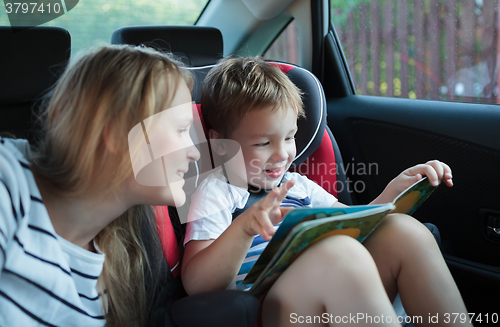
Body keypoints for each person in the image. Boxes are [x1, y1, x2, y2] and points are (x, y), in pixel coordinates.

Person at [181, 57, 472, 326]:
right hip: (267, 309)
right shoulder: (217, 191)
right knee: (338, 252)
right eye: (263, 143)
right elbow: (196, 283)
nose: (283, 154)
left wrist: (396, 190)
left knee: (402, 229)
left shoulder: (300, 187)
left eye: (289, 137)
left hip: (329, 293)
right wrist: (244, 229)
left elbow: (356, 223)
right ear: (221, 145)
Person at [0, 44, 202, 327]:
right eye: (181, 130)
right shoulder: (7, 179)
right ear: (117, 134)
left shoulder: (111, 271)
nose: (194, 152)